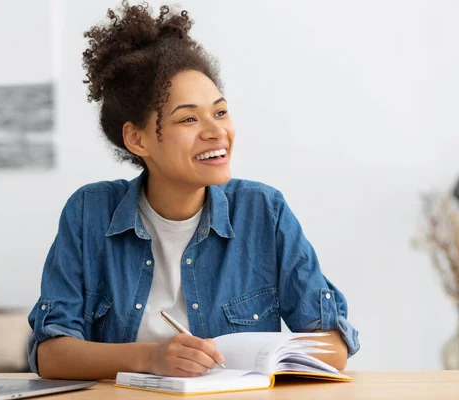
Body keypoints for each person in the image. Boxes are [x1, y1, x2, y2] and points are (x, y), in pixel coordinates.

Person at [27, 1, 359, 380]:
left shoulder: (263, 211)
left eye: (219, 112)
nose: (216, 131)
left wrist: (256, 355)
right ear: (138, 139)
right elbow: (51, 354)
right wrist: (150, 358)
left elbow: (333, 346)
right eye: (188, 118)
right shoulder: (89, 212)